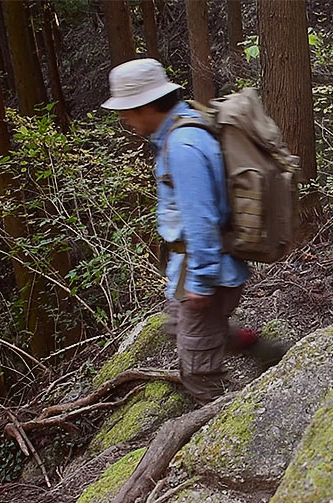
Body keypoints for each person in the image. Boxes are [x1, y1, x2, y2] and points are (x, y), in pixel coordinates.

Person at [102, 58, 288, 403]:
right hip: (198, 267)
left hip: (206, 271)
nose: (124, 120)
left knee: (199, 370)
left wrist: (200, 284)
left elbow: (200, 219)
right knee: (181, 329)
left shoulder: (183, 146)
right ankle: (263, 350)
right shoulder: (184, 125)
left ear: (144, 107)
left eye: (126, 111)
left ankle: (226, 430)